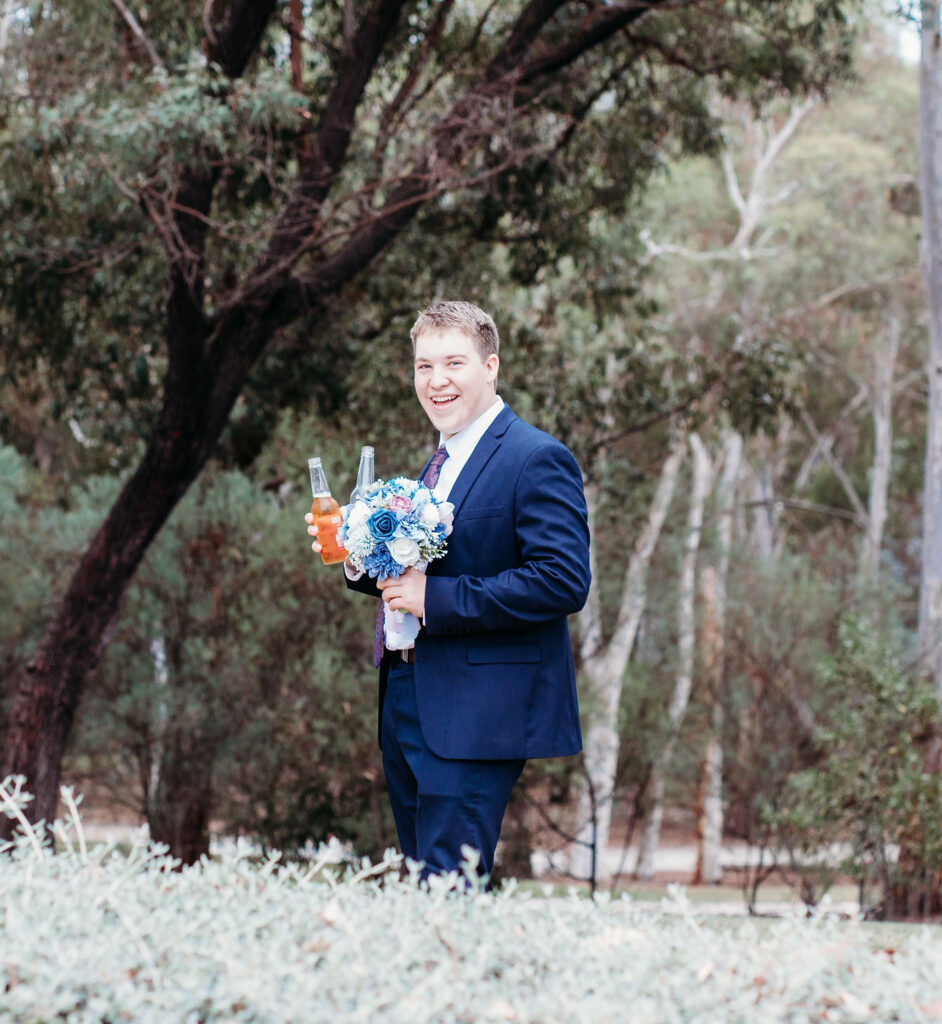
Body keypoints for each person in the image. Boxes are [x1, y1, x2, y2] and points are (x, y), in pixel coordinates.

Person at [306, 300, 591, 881]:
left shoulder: (535, 457)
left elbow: (563, 579)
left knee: (447, 892)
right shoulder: (441, 462)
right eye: (423, 366)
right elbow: (416, 572)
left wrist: (434, 599)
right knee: (428, 893)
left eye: (453, 363)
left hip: (475, 714)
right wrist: (357, 559)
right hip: (408, 697)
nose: (436, 381)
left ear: (490, 367)